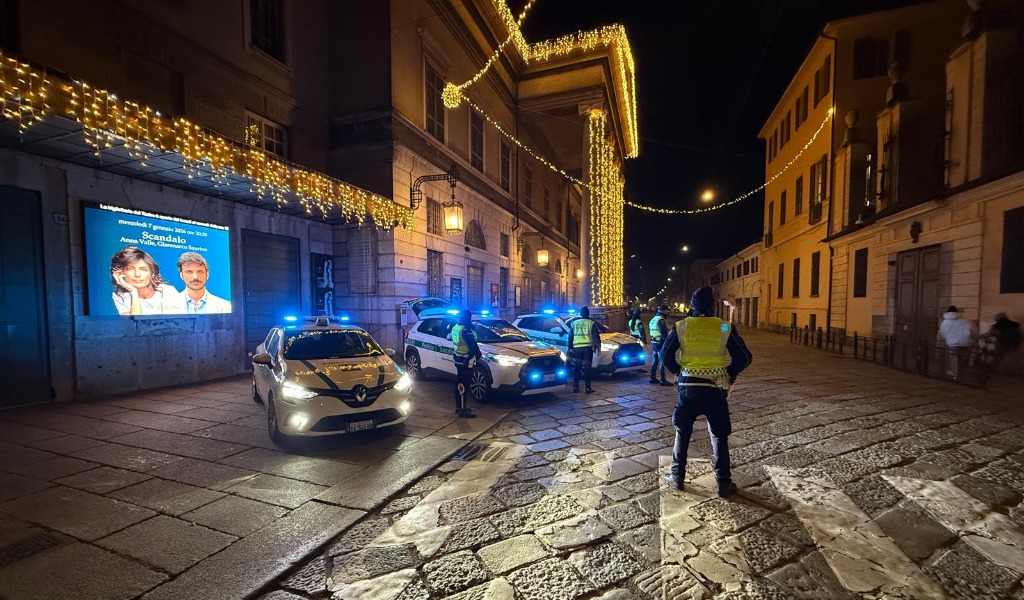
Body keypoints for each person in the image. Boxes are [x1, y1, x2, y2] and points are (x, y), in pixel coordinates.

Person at [661, 286, 752, 498]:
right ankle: (723, 484)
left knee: (682, 433)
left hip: (688, 388)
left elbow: (666, 355)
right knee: (719, 436)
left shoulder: (681, 327)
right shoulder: (723, 327)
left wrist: (679, 372)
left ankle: (677, 477)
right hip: (715, 387)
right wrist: (729, 373)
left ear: (692, 306)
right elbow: (744, 358)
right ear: (713, 306)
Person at [110, 245, 182, 315]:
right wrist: (134, 292)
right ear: (120, 273)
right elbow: (133, 324)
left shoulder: (168, 291)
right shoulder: (121, 296)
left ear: (152, 273)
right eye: (130, 269)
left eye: (143, 270)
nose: (137, 274)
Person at [451, 310, 481, 418]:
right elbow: (473, 346)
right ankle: (462, 410)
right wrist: (478, 356)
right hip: (466, 360)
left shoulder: (456, 327)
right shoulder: (466, 330)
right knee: (464, 385)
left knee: (459, 383)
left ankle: (459, 407)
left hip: (458, 359)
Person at [568, 306, 600, 394]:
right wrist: (598, 347)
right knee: (587, 368)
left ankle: (575, 387)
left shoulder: (574, 323)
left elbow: (570, 336)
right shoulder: (591, 323)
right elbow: (595, 336)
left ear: (580, 314)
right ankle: (588, 388)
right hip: (587, 348)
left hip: (577, 348)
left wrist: (570, 347)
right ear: (588, 313)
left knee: (577, 368)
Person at [938, 306, 973, 378]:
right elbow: (971, 330)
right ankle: (963, 373)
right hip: (965, 343)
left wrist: (946, 338)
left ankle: (956, 374)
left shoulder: (945, 322)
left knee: (954, 358)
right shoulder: (964, 321)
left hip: (952, 343)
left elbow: (943, 333)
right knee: (964, 359)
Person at [649, 304, 670, 385]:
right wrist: (667, 344)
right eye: (667, 310)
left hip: (654, 342)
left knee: (655, 360)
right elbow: (664, 333)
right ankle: (662, 380)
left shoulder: (653, 319)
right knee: (662, 360)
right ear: (664, 311)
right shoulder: (661, 320)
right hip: (660, 342)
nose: (668, 312)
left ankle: (652, 377)